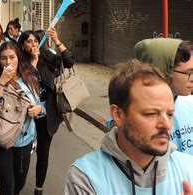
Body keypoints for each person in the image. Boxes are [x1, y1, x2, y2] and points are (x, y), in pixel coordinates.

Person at [65, 59, 193, 194]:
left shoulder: (188, 170)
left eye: (170, 114)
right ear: (118, 115)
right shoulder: (86, 178)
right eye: (150, 114)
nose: (166, 124)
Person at [0, 41, 45, 195]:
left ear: (19, 58)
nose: (8, 62)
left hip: (24, 138)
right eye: (4, 58)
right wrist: (1, 82)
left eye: (12, 57)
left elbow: (42, 103)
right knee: (7, 186)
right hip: (0, 139)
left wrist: (39, 109)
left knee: (19, 183)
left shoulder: (29, 76)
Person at [18, 27, 74, 195]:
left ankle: (39, 188)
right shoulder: (20, 61)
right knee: (22, 152)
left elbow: (69, 62)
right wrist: (34, 61)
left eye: (35, 41)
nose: (33, 44)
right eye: (28, 41)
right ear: (23, 44)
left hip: (46, 112)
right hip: (25, 114)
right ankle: (16, 184)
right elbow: (27, 80)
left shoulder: (48, 57)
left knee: (43, 153)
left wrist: (57, 40)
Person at [134, 38, 193, 155]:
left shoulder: (189, 102)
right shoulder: (131, 115)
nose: (192, 79)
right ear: (165, 71)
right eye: (189, 73)